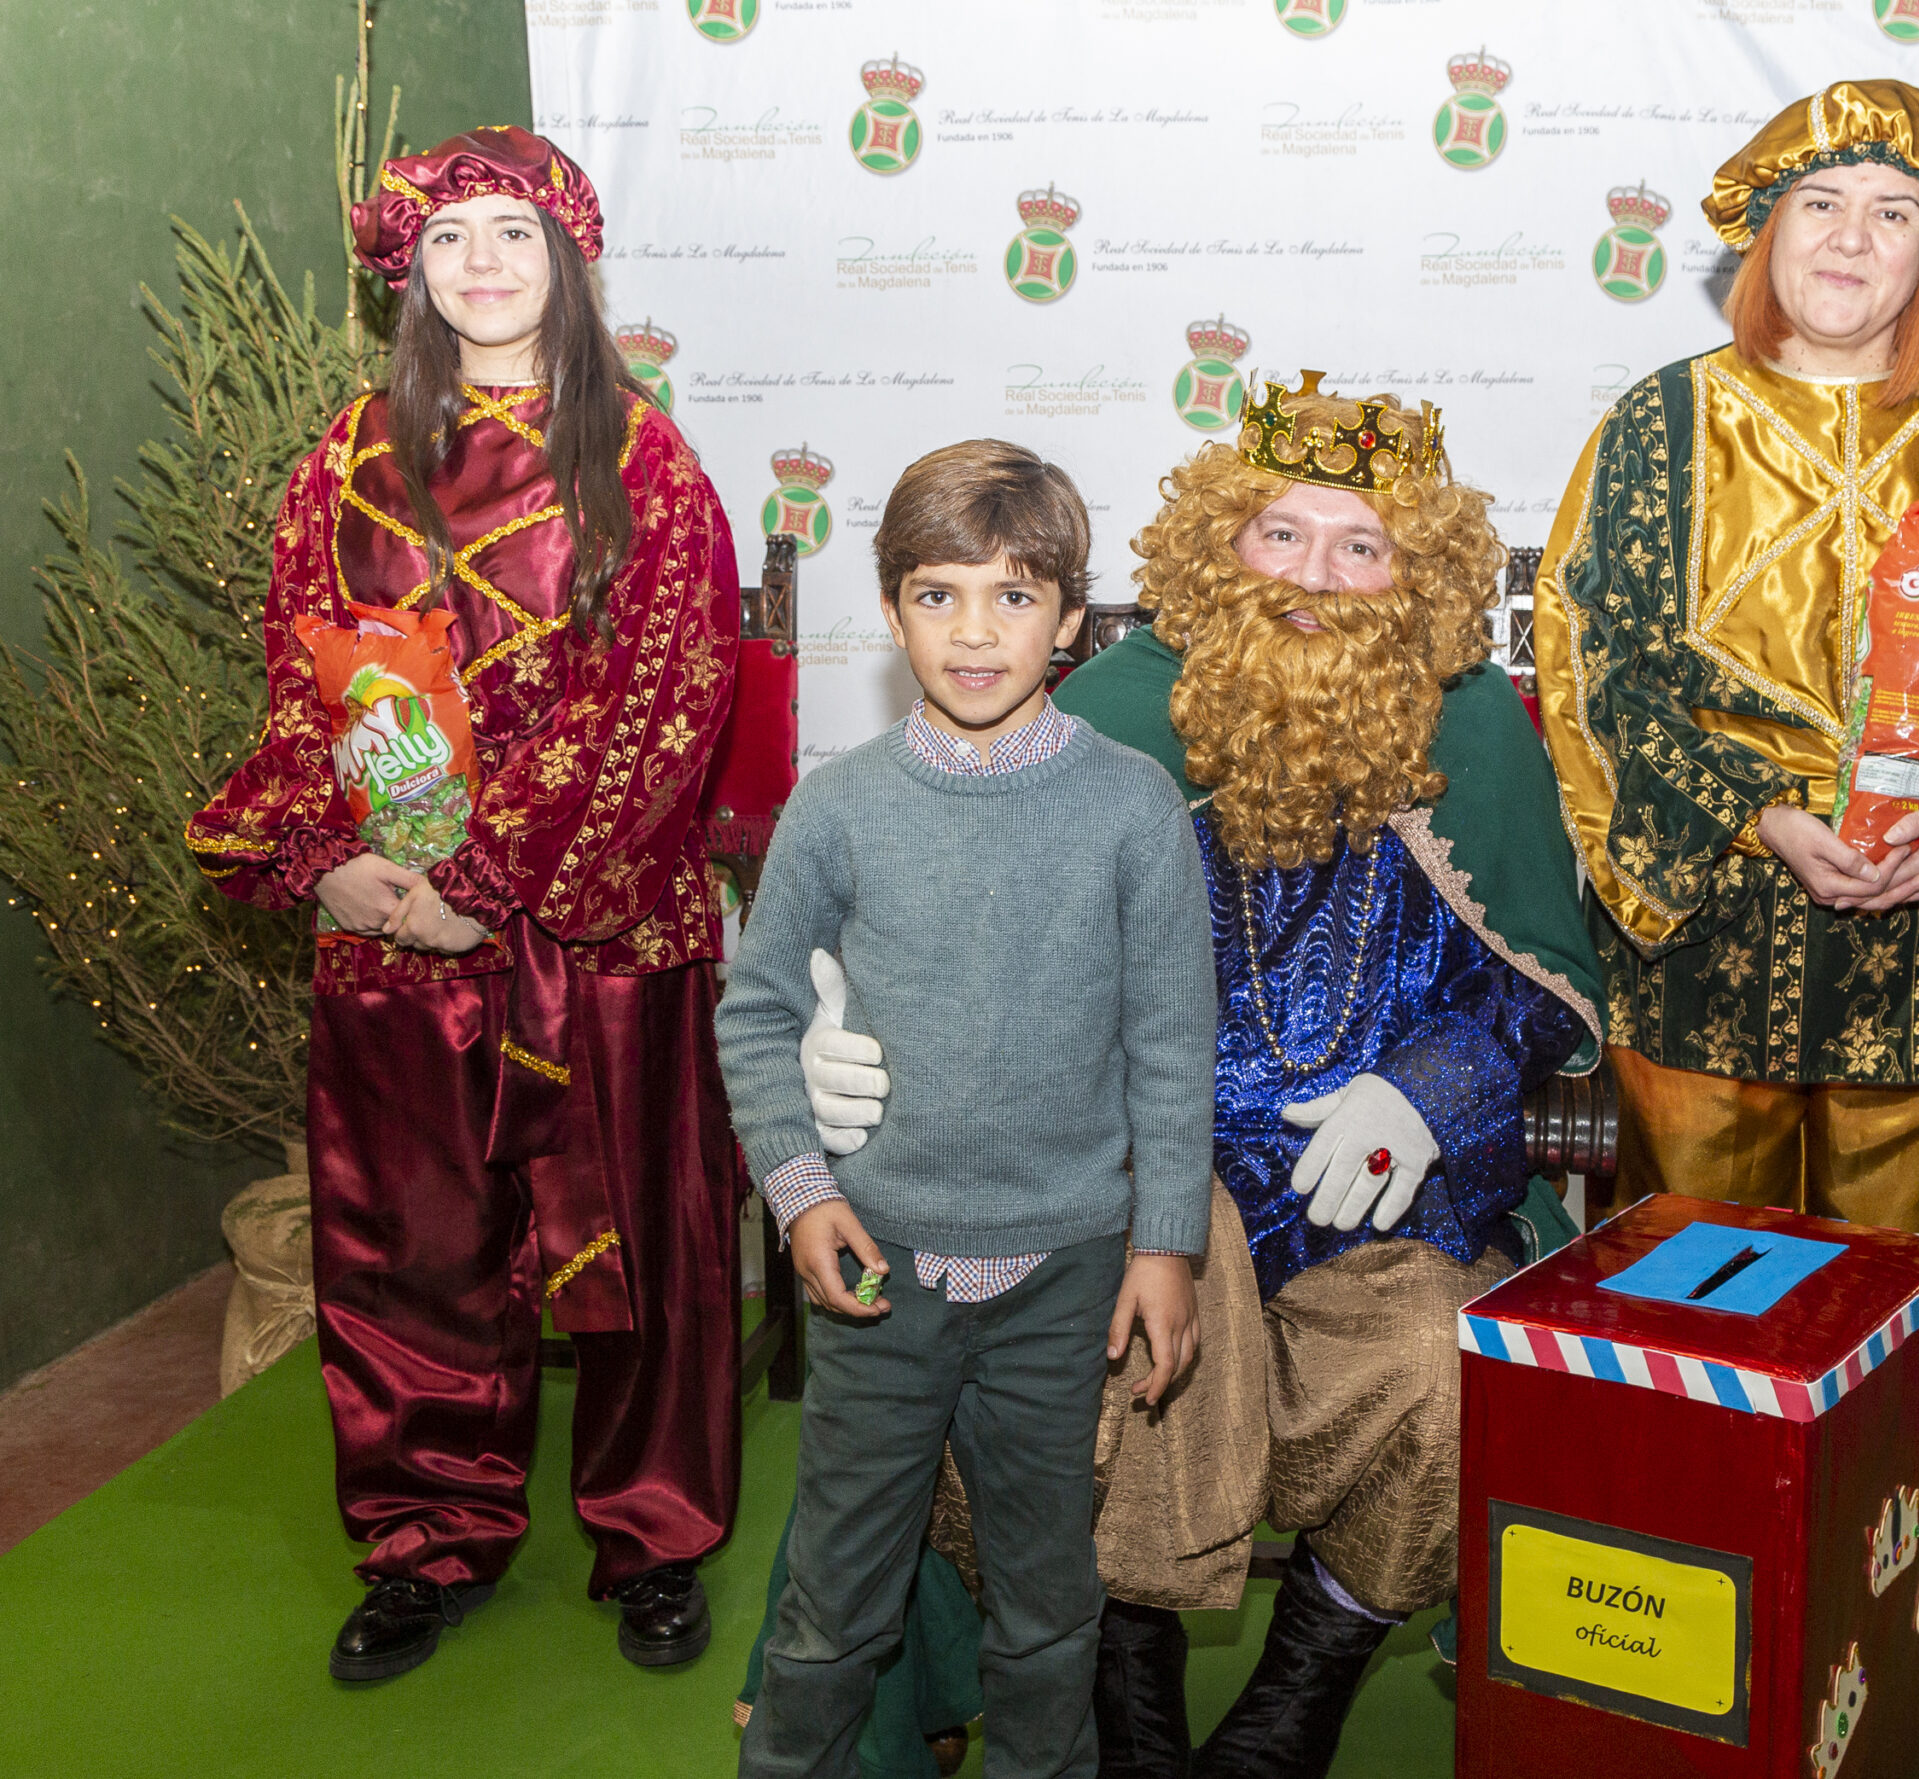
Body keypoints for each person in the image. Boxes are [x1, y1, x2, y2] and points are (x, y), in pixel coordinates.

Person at [802, 376, 1607, 1778]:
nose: (1315, 577)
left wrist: (1431, 1091)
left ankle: (1296, 1702)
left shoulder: (1475, 729)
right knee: (1093, 1347)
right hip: (1133, 1179)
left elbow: (1532, 986)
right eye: (1281, 534)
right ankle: (1130, 1695)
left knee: (1452, 1371)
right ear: (1219, 545)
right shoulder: (1108, 717)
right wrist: (854, 1033)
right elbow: (966, 938)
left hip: (1377, 1201)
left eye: (1361, 546)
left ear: (1416, 572)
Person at [1532, 80, 1919, 1547]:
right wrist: (1753, 810)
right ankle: (1690, 1572)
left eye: (1893, 213)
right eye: (1820, 204)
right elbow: (1596, 658)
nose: (1851, 239)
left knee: (1906, 1284)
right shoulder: (1663, 423)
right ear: (1767, 230)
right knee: (1691, 1279)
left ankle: (1882, 1581)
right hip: (1716, 922)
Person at [186, 126, 745, 1678]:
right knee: (408, 1252)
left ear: (566, 255)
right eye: (447, 239)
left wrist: (490, 885)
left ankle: (652, 1536)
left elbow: (665, 701)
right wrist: (330, 856)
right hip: (393, 929)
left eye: (510, 232)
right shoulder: (347, 458)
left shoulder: (645, 461)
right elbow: (304, 674)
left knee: (634, 1251)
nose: (480, 263)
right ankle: (425, 1539)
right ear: (407, 271)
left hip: (592, 927)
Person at [718, 439, 1219, 1779]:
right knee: (834, 1603)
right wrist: (800, 1190)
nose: (976, 632)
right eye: (940, 595)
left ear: (1071, 618)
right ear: (893, 612)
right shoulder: (837, 808)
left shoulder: (1135, 808)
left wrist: (1166, 1244)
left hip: (1068, 1276)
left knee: (1049, 1609)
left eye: (1015, 596)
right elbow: (755, 1011)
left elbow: (1174, 1046)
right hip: (877, 1271)